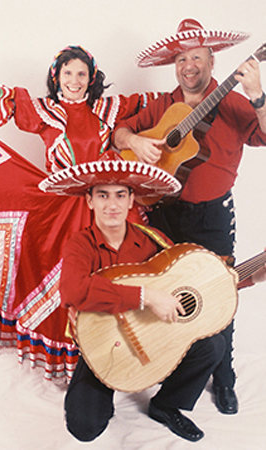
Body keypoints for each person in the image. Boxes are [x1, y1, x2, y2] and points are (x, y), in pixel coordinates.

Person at [0, 46, 162, 382]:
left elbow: (159, 103)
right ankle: (75, 359)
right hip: (62, 208)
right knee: (66, 283)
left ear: (91, 79)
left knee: (121, 274)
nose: (74, 80)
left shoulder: (106, 108)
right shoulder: (45, 111)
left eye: (81, 74)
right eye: (68, 73)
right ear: (57, 76)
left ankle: (121, 354)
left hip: (106, 203)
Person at [51, 156, 266, 443]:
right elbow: (73, 291)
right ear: (90, 201)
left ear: (131, 201)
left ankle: (166, 405)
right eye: (102, 195)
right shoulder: (81, 244)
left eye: (120, 195)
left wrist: (252, 278)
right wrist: (145, 296)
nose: (112, 205)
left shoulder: (153, 241)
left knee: (213, 345)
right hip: (104, 345)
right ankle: (113, 386)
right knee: (85, 428)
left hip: (155, 337)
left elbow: (197, 285)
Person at [113, 18, 266, 415]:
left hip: (213, 216)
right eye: (182, 59)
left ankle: (225, 377)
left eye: (196, 57)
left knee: (221, 293)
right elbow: (120, 132)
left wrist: (258, 94)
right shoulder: (164, 105)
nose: (189, 66)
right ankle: (175, 368)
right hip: (163, 216)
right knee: (165, 294)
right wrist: (134, 142)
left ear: (212, 61)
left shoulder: (234, 102)